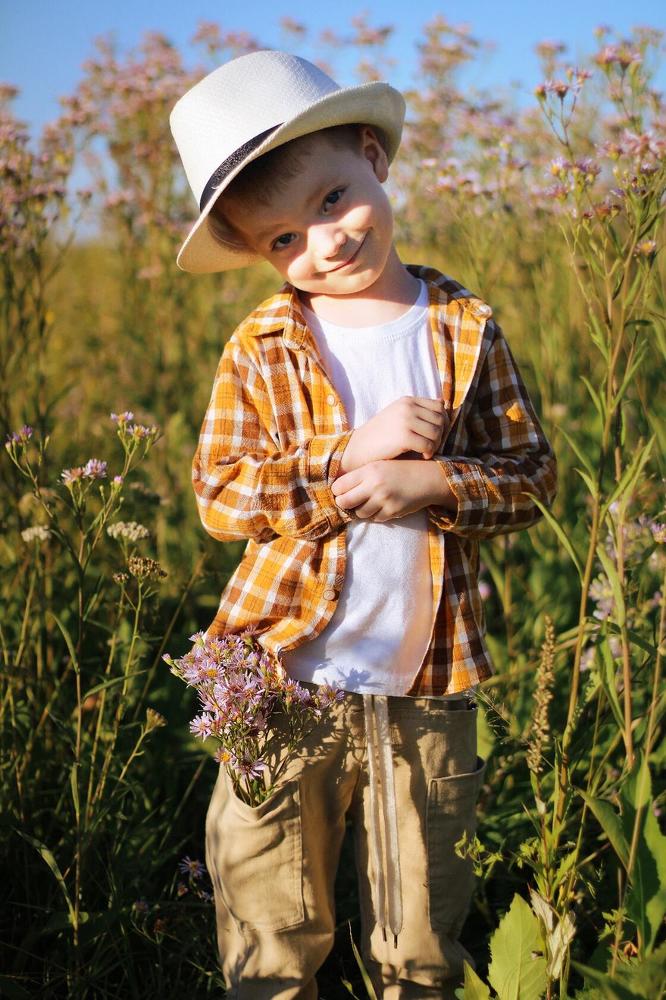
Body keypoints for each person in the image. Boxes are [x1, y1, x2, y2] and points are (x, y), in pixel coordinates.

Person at [169, 50, 557, 1000]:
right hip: (281, 678)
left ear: (375, 157)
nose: (324, 243)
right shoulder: (264, 343)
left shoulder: (463, 324)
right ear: (263, 255)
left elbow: (533, 477)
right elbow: (221, 495)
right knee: (270, 920)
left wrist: (431, 482)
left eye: (335, 198)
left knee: (421, 933)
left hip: (427, 684)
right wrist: (348, 462)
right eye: (283, 240)